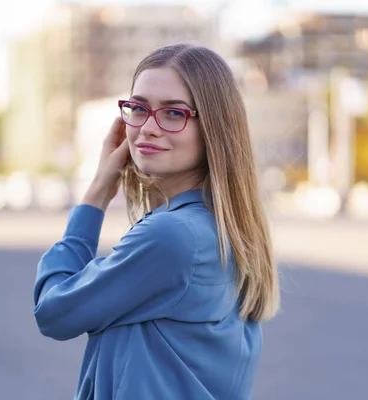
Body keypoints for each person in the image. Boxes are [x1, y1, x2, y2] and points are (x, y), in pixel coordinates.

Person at [33, 43, 280, 400]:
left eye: (173, 113)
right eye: (138, 108)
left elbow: (53, 312)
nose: (148, 128)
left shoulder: (174, 236)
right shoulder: (221, 226)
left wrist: (96, 194)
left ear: (213, 126)